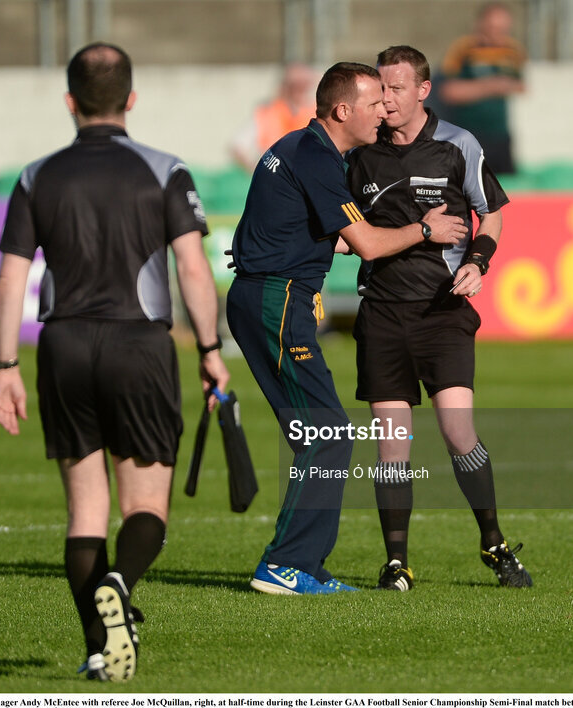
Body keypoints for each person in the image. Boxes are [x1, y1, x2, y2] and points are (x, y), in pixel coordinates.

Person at [0, 42, 229, 681]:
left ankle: (101, 651)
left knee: (86, 511)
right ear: (131, 98)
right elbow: (192, 269)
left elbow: (11, 278)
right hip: (139, 344)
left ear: (69, 101)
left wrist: (5, 366)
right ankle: (121, 583)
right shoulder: (164, 168)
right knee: (146, 502)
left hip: (63, 344)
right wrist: (210, 350)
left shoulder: (36, 175)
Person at [226, 61, 468, 595]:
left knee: (319, 434)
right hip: (277, 299)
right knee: (329, 434)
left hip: (266, 294)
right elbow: (368, 245)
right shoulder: (316, 156)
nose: (384, 110)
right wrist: (425, 229)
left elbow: (321, 234)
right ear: (343, 111)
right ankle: (286, 565)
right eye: (373, 102)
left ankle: (302, 563)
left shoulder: (302, 147)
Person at [346, 45, 531, 592]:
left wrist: (478, 261)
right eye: (380, 89)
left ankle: (494, 544)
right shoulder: (359, 153)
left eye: (396, 89)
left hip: (443, 313)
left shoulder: (457, 145)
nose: (386, 99)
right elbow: (341, 228)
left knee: (457, 431)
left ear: (423, 90)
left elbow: (492, 213)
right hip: (381, 315)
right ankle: (396, 562)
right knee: (391, 444)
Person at [438, 2, 526, 175]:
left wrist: (506, 86)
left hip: (500, 136)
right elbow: (449, 92)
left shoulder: (513, 50)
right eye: (492, 28)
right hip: (469, 135)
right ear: (480, 25)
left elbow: (521, 86)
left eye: (503, 30)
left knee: (505, 188)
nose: (497, 35)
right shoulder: (463, 49)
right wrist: (489, 86)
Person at [229, 63, 318, 171]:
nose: (300, 90)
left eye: (303, 85)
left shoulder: (318, 113)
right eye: (294, 85)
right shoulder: (268, 112)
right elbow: (238, 146)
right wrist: (256, 171)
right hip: (275, 178)